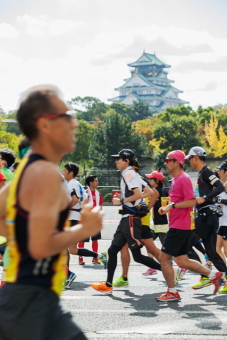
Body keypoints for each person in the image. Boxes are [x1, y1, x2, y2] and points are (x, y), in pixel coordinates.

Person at [0, 84, 103, 340]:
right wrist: (85, 229)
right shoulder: (45, 174)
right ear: (45, 126)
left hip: (30, 300)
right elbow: (40, 246)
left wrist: (18, 236)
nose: (74, 123)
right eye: (66, 116)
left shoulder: (29, 170)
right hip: (29, 303)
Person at [90, 149, 162, 293]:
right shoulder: (131, 174)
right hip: (126, 219)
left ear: (127, 161)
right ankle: (108, 285)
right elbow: (150, 192)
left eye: (119, 159)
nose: (116, 161)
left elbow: (139, 194)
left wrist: (122, 200)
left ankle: (167, 270)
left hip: (130, 219)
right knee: (112, 250)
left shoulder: (129, 174)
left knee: (138, 256)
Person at [156, 150, 223, 302]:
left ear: (176, 162)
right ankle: (215, 276)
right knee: (182, 261)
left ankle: (172, 292)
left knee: (163, 258)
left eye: (168, 160)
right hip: (180, 224)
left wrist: (171, 206)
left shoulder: (183, 179)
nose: (165, 163)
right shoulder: (174, 180)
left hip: (180, 226)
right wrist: (167, 208)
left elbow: (192, 201)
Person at [112, 159, 161, 287]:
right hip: (138, 217)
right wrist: (147, 207)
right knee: (146, 249)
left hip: (137, 219)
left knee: (147, 250)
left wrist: (146, 207)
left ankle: (169, 268)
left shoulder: (132, 177)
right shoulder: (136, 178)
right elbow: (152, 193)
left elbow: (154, 193)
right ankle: (124, 277)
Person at [185, 146, 227, 290]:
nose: (189, 162)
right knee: (212, 253)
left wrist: (205, 197)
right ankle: (220, 278)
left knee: (185, 242)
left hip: (206, 216)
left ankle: (205, 275)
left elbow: (220, 187)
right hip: (209, 217)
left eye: (190, 159)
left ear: (195, 158)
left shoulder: (206, 172)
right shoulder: (202, 173)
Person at [77, 175, 104, 265]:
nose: (97, 182)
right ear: (90, 183)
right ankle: (80, 258)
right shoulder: (85, 194)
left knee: (95, 239)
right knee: (82, 239)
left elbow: (100, 207)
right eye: (96, 181)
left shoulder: (99, 194)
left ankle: (95, 258)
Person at [216, 160, 227, 293]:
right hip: (222, 222)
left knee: (225, 252)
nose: (218, 172)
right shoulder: (222, 184)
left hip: (226, 223)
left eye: (220, 170)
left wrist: (217, 200)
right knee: (217, 249)